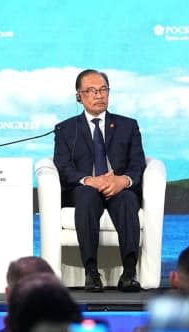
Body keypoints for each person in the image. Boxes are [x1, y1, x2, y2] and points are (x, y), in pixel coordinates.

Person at [53, 69, 147, 293]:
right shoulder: (66, 129)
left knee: (126, 199)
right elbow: (63, 167)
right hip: (86, 189)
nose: (99, 95)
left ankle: (129, 273)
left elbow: (138, 164)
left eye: (103, 89)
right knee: (86, 195)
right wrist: (88, 180)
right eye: (92, 91)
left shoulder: (128, 126)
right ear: (79, 96)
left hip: (119, 188)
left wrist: (123, 180)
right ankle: (91, 272)